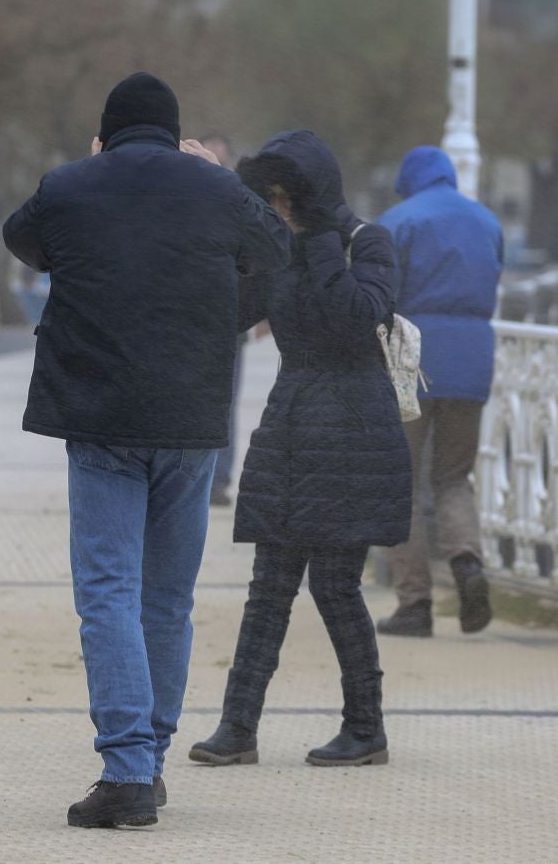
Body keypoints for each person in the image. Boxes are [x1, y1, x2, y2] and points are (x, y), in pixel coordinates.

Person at [3, 72, 291, 828]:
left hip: (101, 416)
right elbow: (275, 249)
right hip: (189, 421)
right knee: (167, 599)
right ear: (173, 133)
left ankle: (127, 770)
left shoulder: (71, 184)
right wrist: (216, 176)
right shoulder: (214, 188)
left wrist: (94, 176)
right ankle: (149, 762)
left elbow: (22, 240)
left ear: (106, 133)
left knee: (107, 592)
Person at [188, 130, 412, 770]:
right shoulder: (278, 248)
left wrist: (316, 240)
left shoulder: (366, 241)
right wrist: (219, 209)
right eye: (273, 198)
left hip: (355, 429)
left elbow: (357, 315)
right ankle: (237, 728)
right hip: (290, 425)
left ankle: (365, 728)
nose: (281, 209)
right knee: (268, 586)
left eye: (289, 199)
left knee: (336, 586)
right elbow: (228, 312)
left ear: (314, 196)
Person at [376, 146, 503, 638]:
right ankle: (467, 563)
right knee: (453, 476)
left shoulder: (398, 221)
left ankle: (415, 604)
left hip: (411, 358)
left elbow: (380, 296)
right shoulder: (487, 221)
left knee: (399, 483)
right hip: (472, 362)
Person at [200, 134, 246, 508]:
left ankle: (217, 481)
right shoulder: (177, 201)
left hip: (228, 325)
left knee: (224, 404)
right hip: (189, 323)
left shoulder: (237, 202)